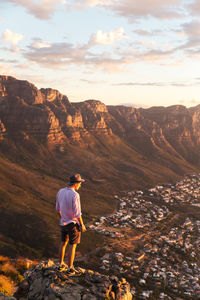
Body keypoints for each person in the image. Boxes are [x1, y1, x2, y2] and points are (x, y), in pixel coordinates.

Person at [56, 173, 86, 275]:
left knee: (63, 243)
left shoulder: (60, 191)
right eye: (80, 183)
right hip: (73, 224)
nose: (80, 185)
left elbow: (57, 209)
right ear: (76, 184)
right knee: (72, 246)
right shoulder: (75, 195)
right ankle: (70, 268)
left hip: (63, 223)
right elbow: (77, 213)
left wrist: (63, 218)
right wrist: (82, 225)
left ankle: (60, 265)